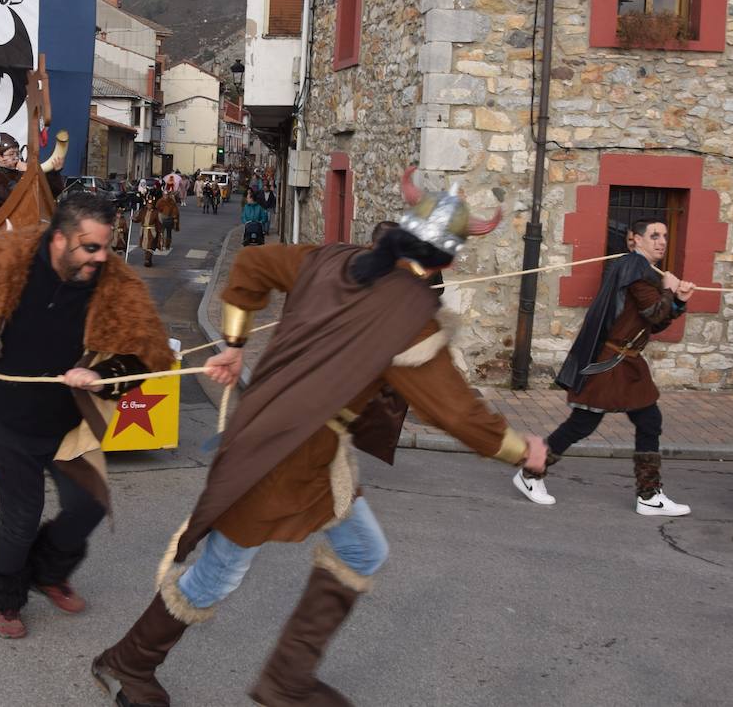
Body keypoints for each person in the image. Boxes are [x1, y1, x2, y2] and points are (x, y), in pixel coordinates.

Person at [93, 177, 542, 707]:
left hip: (309, 450)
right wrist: (523, 449)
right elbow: (457, 413)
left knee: (362, 549)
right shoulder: (411, 321)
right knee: (219, 570)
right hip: (281, 452)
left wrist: (236, 344)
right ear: (448, 261)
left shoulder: (333, 259)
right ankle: (129, 662)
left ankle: (288, 678)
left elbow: (255, 267)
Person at [0, 193, 171, 638]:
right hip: (6, 415)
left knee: (90, 505)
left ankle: (46, 571)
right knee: (21, 517)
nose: (101, 257)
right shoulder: (7, 258)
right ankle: (2, 597)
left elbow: (146, 357)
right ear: (59, 239)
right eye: (90, 247)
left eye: (105, 246)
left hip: (68, 423)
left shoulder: (115, 284)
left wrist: (100, 376)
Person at [514, 217, 696, 516]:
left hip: (628, 364)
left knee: (649, 421)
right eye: (653, 235)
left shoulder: (642, 270)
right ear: (634, 239)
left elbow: (654, 322)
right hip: (611, 364)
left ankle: (649, 495)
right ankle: (530, 473)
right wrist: (670, 292)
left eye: (664, 235)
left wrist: (677, 301)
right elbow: (654, 312)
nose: (661, 241)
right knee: (582, 425)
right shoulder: (635, 268)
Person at [137, 193, 163, 268]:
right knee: (145, 247)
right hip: (144, 230)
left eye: (150, 205)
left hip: (151, 231)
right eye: (148, 204)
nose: (149, 206)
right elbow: (138, 219)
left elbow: (158, 223)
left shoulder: (156, 212)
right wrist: (133, 219)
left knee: (150, 246)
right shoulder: (143, 211)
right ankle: (149, 259)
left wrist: (160, 231)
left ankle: (147, 260)